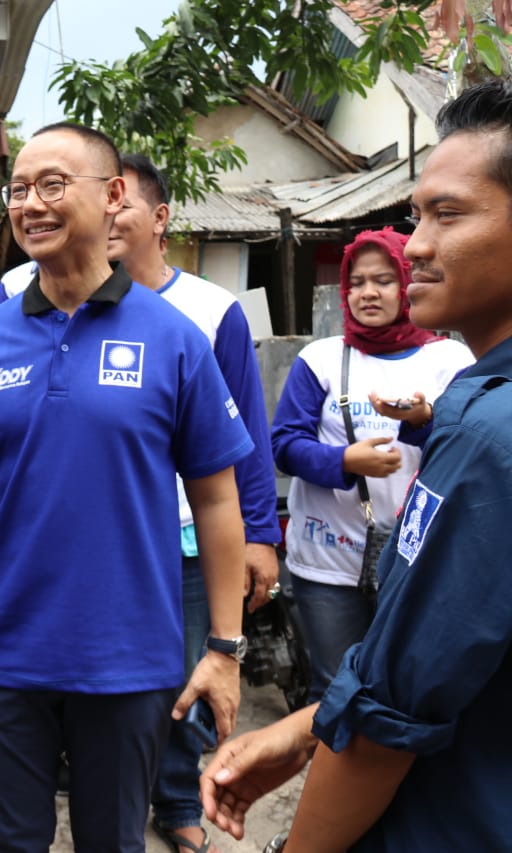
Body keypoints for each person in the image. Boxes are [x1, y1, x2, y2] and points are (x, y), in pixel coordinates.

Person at [0, 122, 253, 852]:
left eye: (52, 185)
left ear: (114, 195)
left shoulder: (174, 339)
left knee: (114, 842)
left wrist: (224, 647)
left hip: (128, 656)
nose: (30, 204)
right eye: (18, 190)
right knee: (11, 843)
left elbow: (217, 497)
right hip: (4, 653)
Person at [200, 79, 512, 852]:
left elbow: (392, 718)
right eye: (416, 218)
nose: (419, 249)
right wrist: (312, 724)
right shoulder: (326, 359)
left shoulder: (483, 419)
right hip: (335, 554)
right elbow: (283, 442)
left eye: (449, 213)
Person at [107, 152, 281, 853]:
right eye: (103, 201)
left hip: (188, 534)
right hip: (106, 535)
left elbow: (251, 437)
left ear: (160, 217)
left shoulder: (212, 310)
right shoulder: (53, 299)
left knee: (189, 674)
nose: (109, 215)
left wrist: (260, 533)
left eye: (124, 203)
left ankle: (177, 798)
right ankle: (110, 789)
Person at [270, 226, 471, 704]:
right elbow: (284, 445)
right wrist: (344, 461)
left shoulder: (450, 360)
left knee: (406, 693)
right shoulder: (319, 358)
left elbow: (469, 448)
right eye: (356, 282)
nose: (367, 293)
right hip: (327, 564)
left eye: (383, 280)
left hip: (417, 561)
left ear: (408, 283)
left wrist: (421, 421)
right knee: (334, 693)